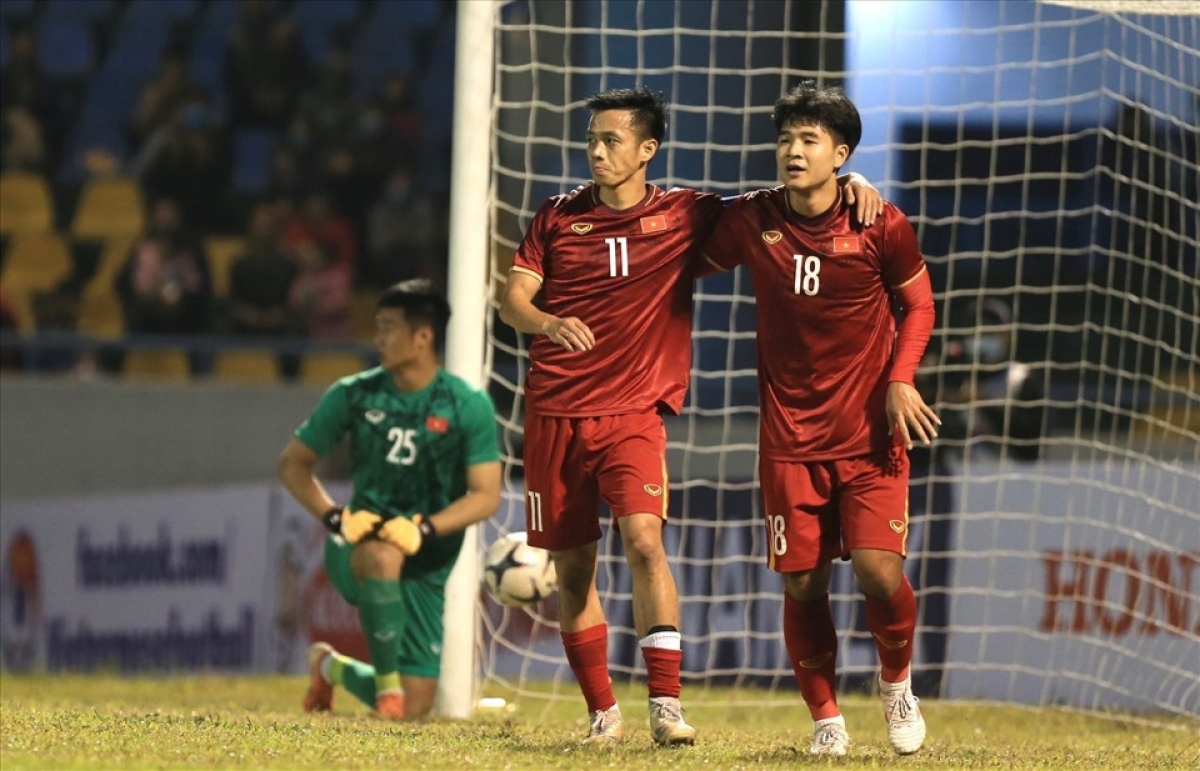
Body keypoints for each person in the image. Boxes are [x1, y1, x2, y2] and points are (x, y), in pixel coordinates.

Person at [498, 87, 882, 747]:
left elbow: (782, 201)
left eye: (611, 140)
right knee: (573, 567)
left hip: (634, 412)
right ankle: (602, 713)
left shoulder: (685, 213)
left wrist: (848, 178)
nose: (596, 150)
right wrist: (547, 321)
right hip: (554, 411)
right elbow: (513, 301)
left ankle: (666, 706)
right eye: (592, 138)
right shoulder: (557, 217)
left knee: (645, 539)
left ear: (648, 149)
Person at [700, 82, 939, 757]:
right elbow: (681, 244)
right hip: (788, 438)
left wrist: (899, 379)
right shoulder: (752, 218)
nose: (792, 150)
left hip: (869, 433)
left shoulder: (880, 223)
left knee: (877, 571)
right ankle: (826, 718)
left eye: (809, 140)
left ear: (840, 152)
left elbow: (918, 305)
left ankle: (897, 686)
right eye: (785, 139)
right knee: (803, 580)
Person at [277, 279, 502, 719]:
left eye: (387, 329)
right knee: (381, 555)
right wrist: (335, 518)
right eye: (377, 328)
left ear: (423, 337)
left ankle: (329, 667)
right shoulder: (352, 393)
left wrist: (424, 528)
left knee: (420, 702)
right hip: (359, 541)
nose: (377, 339)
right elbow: (292, 465)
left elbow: (486, 496)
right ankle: (387, 697)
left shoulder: (466, 405)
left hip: (427, 553)